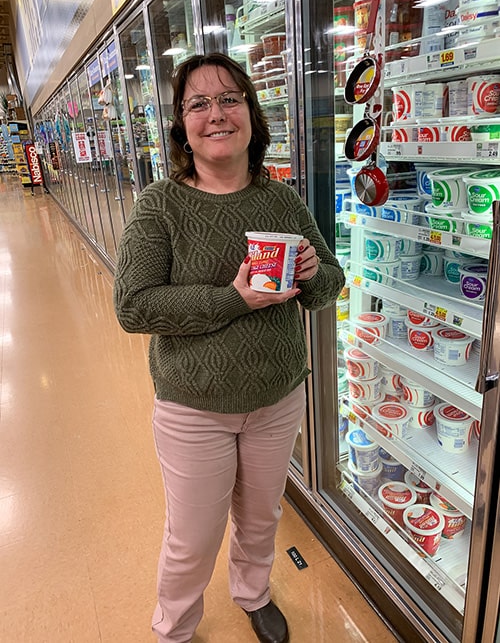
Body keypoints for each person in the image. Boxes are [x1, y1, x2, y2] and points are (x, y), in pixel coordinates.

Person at [113, 52, 345, 643]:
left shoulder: (282, 200)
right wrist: (234, 298)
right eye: (199, 103)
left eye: (229, 99)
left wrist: (316, 271)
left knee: (261, 517)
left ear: (250, 114)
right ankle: (174, 627)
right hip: (194, 407)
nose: (216, 114)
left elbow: (326, 289)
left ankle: (253, 593)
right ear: (182, 126)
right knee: (192, 535)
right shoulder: (158, 206)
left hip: (277, 396)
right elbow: (135, 306)